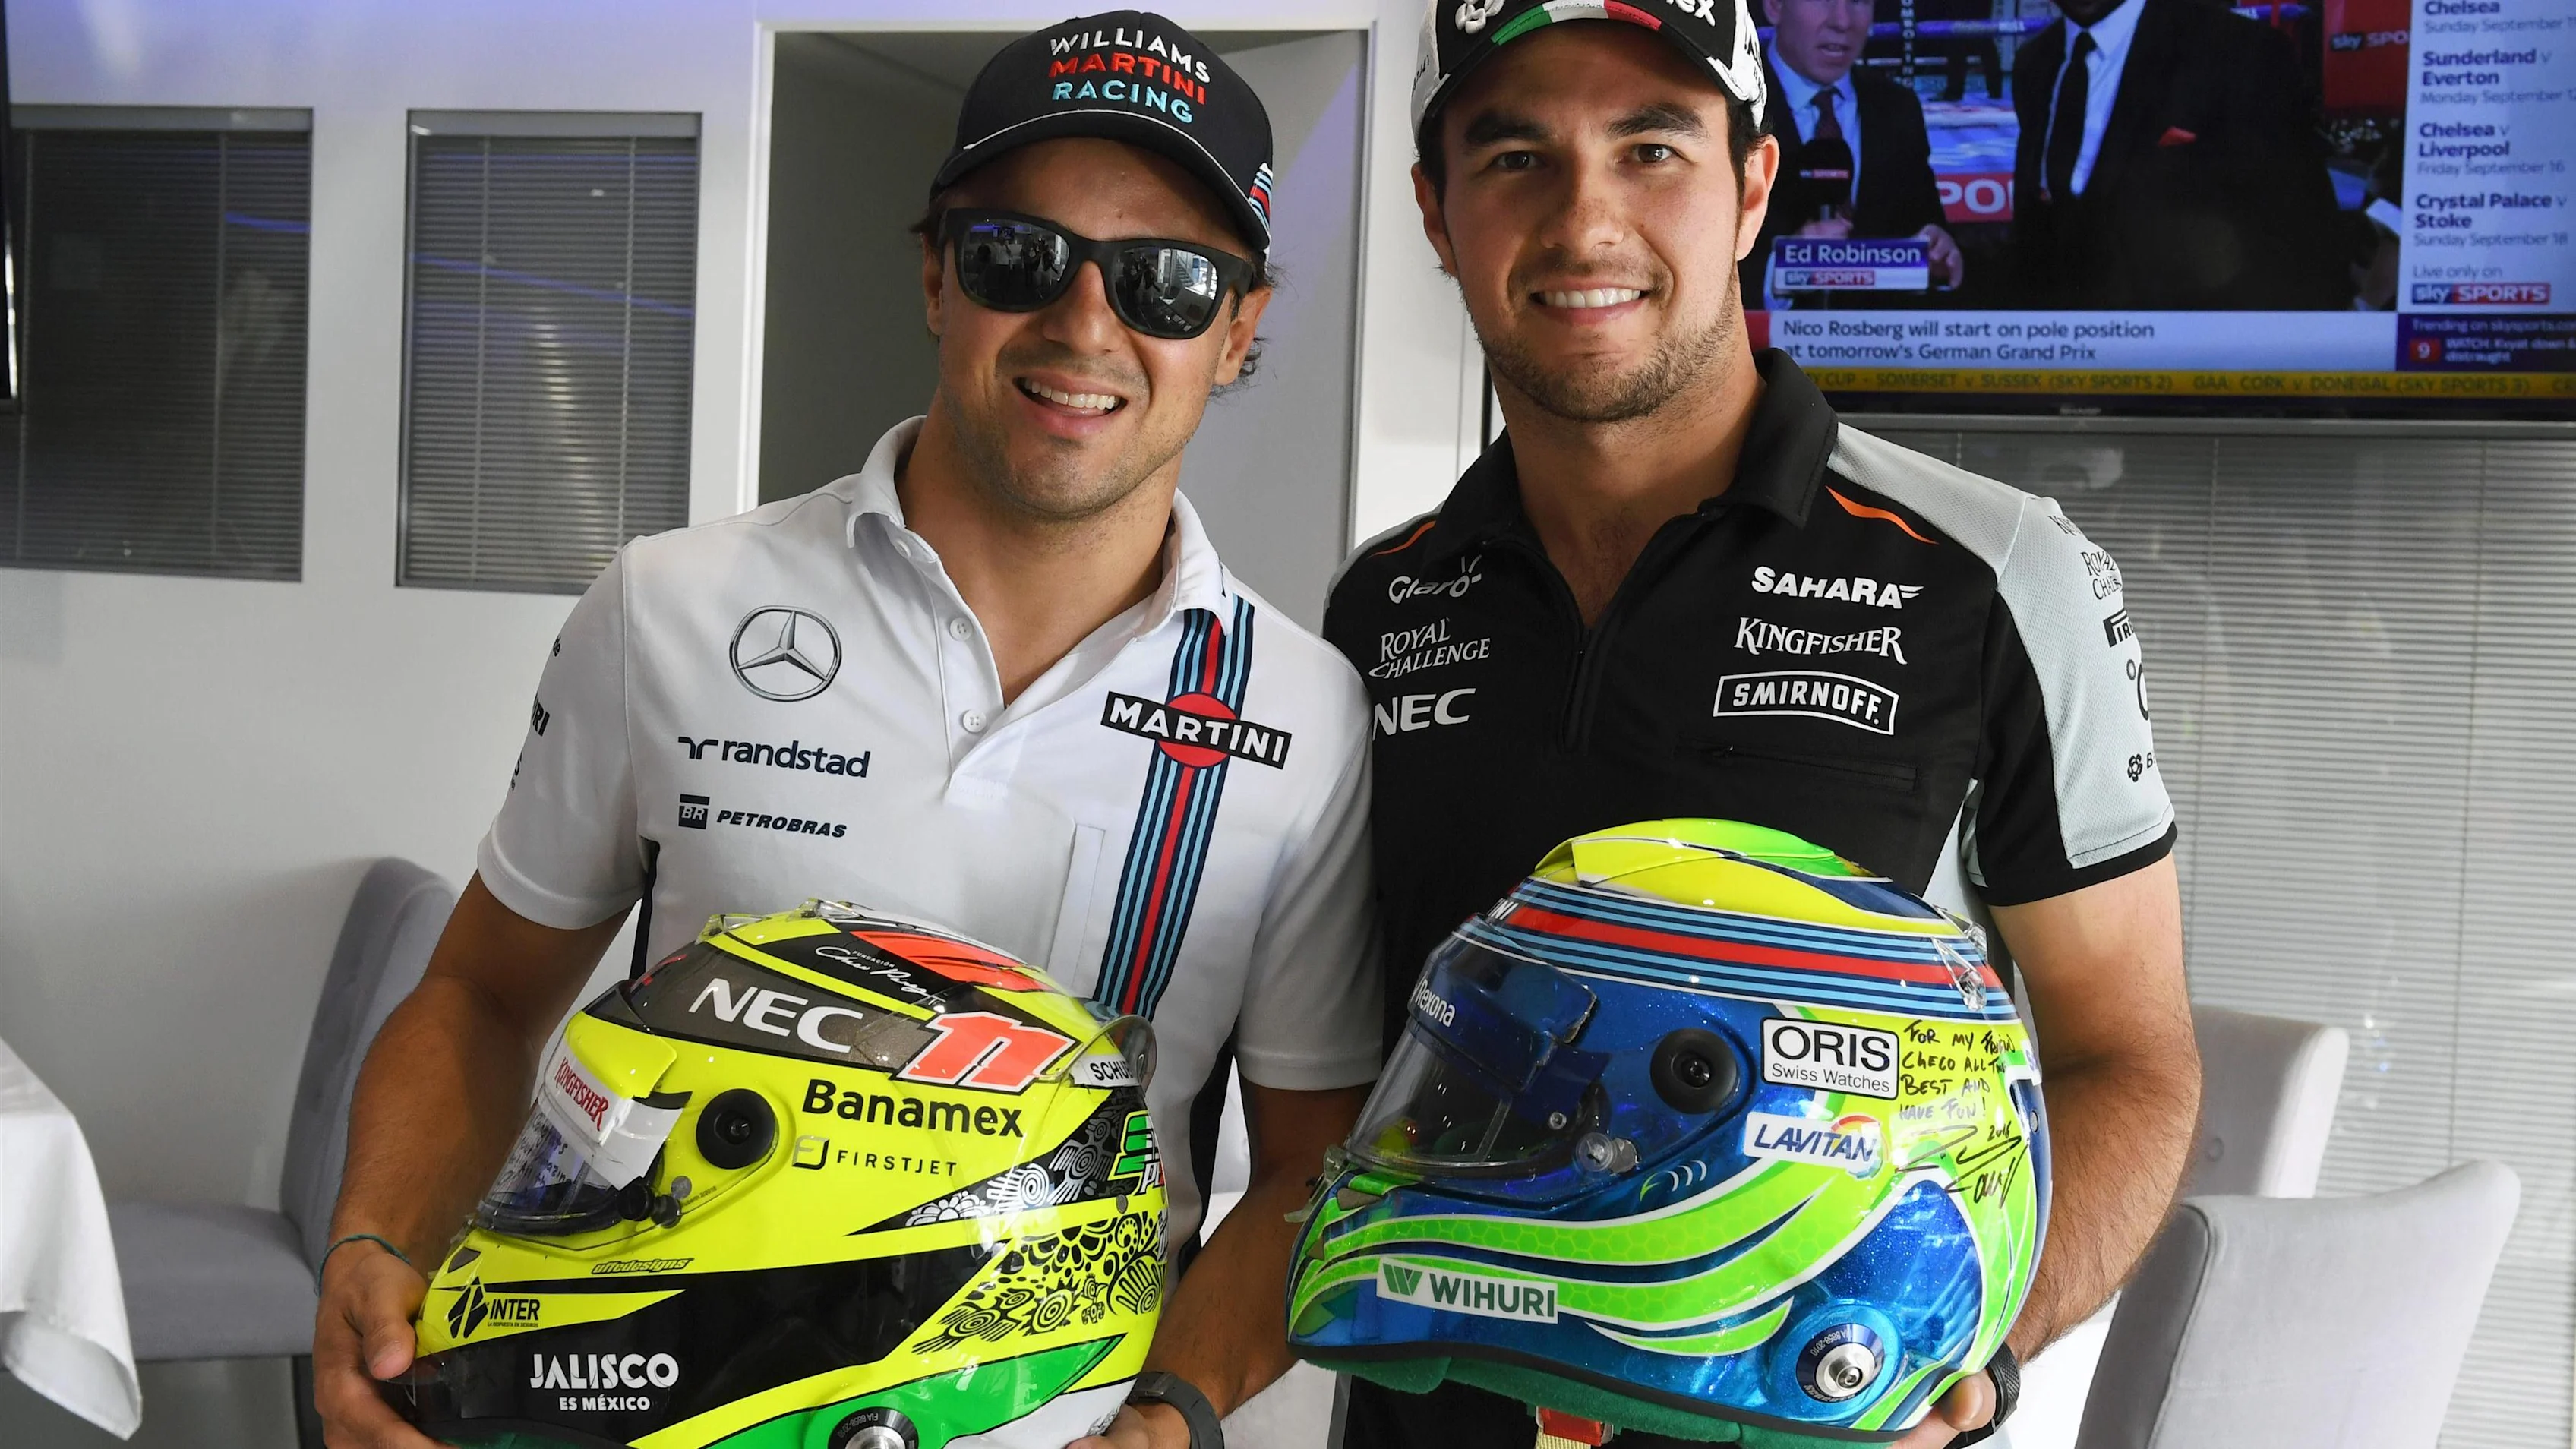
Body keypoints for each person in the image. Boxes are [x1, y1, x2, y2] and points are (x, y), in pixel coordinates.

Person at [311, 13, 1382, 1449]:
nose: (1082, 323)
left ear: (1237, 332)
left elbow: (1310, 1174)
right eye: (1018, 256)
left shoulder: (1300, 713)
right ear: (937, 273)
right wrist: (376, 1240)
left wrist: (1174, 1414)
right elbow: (484, 999)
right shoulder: (673, 604)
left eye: (1166, 282)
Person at [1327, 2, 2199, 1445]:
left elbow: (2129, 1057)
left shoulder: (1988, 574)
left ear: (1749, 188)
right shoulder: (1377, 603)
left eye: (1650, 147)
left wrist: (1962, 1353)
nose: (1583, 221)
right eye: (1514, 158)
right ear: (1436, 210)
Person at [2008, 0, 2350, 308]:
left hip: (2199, 355)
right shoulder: (2034, 64)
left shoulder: (2239, 50)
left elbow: (2303, 234)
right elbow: (2038, 236)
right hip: (2069, 355)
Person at [1741, 0, 1964, 305]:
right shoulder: (1727, 107)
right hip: (1759, 347)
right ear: (1775, 7)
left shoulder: (1899, 108)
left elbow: (1926, 227)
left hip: (1877, 345)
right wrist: (1779, 272)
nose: (1843, 21)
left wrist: (1941, 252)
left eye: (1859, 1)